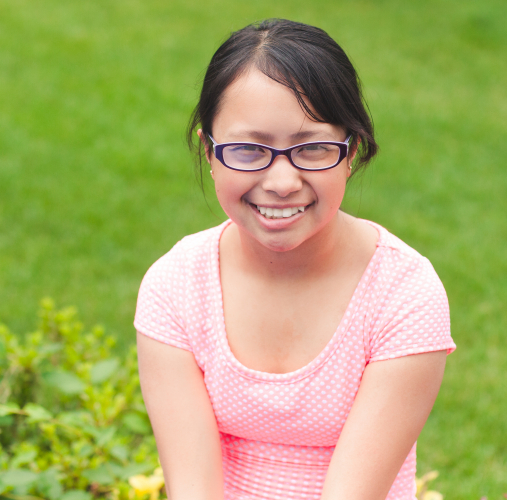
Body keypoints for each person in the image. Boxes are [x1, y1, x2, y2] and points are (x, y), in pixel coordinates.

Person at [134, 19, 456, 500]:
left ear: (351, 151)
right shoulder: (176, 286)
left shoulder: (403, 294)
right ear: (210, 152)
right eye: (248, 149)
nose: (282, 182)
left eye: (313, 148)